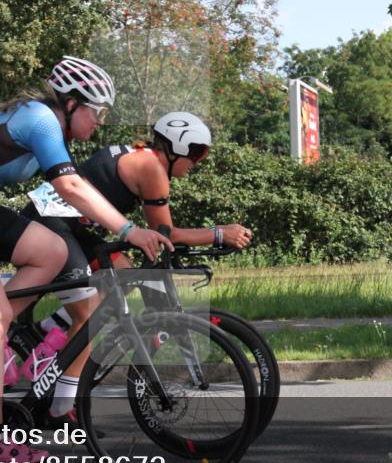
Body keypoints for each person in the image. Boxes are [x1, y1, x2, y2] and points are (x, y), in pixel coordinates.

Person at [0, 56, 173, 463]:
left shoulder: (52, 131)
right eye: (97, 113)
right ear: (74, 104)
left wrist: (104, 239)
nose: (99, 123)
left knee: (51, 251)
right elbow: (72, 187)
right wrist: (129, 231)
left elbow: (67, 198)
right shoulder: (40, 119)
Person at [20, 112, 253, 425]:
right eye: (196, 154)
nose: (197, 162)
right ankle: (59, 410)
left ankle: (49, 329)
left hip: (67, 226)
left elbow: (152, 234)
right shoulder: (152, 168)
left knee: (126, 273)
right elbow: (167, 231)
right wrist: (220, 233)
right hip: (53, 227)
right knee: (89, 318)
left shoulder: (140, 156)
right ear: (176, 148)